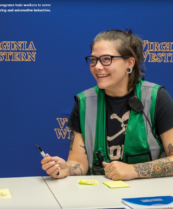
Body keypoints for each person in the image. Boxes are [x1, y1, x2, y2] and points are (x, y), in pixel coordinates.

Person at [42, 29, 173, 181]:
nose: (97, 66)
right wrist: (66, 168)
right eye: (93, 60)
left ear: (129, 63)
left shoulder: (156, 97)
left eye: (106, 59)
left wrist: (133, 170)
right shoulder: (84, 102)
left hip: (148, 196)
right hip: (99, 197)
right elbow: (79, 163)